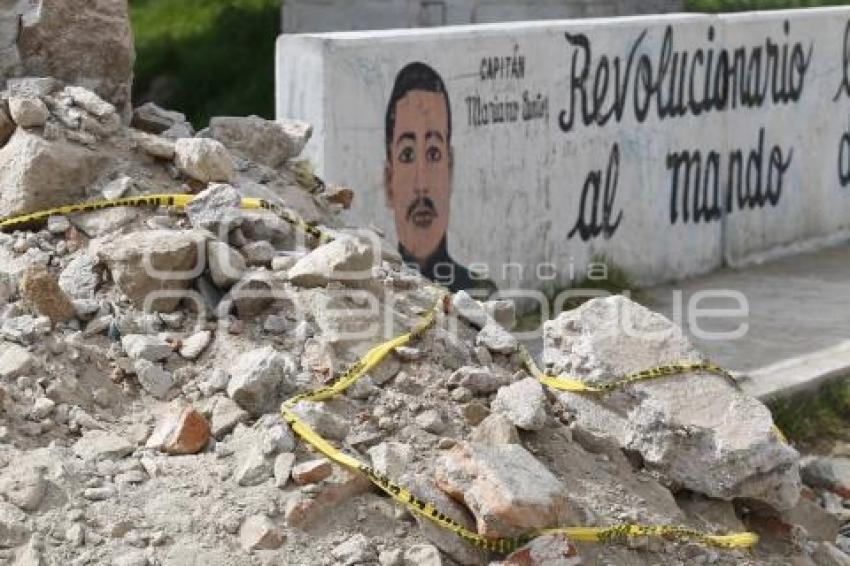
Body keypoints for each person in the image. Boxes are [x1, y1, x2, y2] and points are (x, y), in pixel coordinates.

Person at [383, 61, 495, 295]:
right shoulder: (374, 297)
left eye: (434, 153)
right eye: (407, 154)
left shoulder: (481, 296)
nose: (422, 185)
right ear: (388, 181)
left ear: (450, 170)